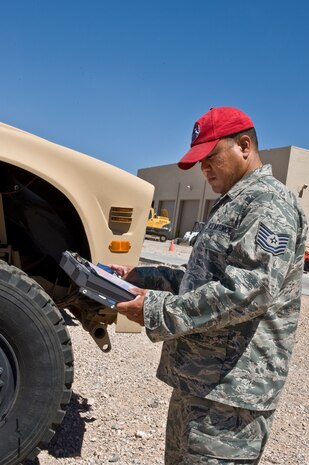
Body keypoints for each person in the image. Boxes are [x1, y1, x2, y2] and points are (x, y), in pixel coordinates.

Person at [112, 106, 308, 465]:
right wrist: (141, 277)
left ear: (244, 146)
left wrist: (155, 309)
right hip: (202, 384)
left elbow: (246, 291)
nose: (203, 170)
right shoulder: (234, 203)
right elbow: (200, 280)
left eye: (210, 158)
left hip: (231, 398)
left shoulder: (268, 202)